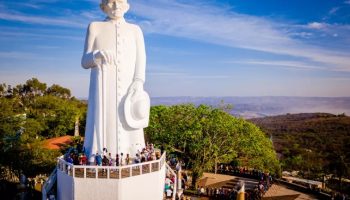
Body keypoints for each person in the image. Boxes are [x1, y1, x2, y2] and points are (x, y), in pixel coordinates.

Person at [82, 0, 149, 159]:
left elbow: (142, 58)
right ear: (103, 6)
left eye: (119, 2)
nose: (116, 6)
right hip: (103, 87)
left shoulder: (135, 30)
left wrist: (138, 81)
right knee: (104, 122)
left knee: (130, 122)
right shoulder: (95, 26)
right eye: (111, 2)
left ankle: (134, 155)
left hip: (129, 86)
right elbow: (84, 61)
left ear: (127, 6)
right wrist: (96, 56)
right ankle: (98, 156)